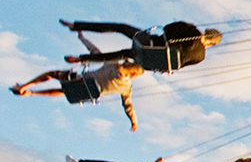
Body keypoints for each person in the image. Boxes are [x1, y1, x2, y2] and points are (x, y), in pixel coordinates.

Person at [12, 40, 144, 131]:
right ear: (134, 74)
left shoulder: (113, 64)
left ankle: (25, 86)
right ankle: (32, 93)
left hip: (81, 81)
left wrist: (82, 38)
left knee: (53, 74)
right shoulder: (126, 87)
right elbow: (128, 106)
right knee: (64, 91)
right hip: (87, 94)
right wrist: (134, 121)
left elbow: (95, 52)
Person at [59, 19, 222, 70]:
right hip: (151, 62)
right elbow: (178, 65)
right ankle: (82, 59)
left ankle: (76, 26)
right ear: (212, 44)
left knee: (121, 28)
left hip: (148, 43)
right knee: (124, 54)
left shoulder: (191, 30)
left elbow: (167, 28)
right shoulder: (200, 57)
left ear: (207, 31)